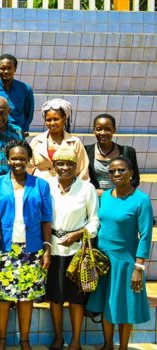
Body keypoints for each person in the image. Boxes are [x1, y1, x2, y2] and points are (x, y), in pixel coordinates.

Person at [0, 140, 53, 350]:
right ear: (8, 159)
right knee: (3, 297)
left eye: (22, 158)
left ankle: (24, 340)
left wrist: (47, 248)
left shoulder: (40, 185)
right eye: (14, 158)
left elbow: (46, 218)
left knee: (26, 297)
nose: (18, 162)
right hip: (3, 248)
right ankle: (2, 339)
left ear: (28, 160)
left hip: (31, 249)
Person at [86, 156, 153, 350]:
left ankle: (122, 347)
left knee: (124, 306)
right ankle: (108, 345)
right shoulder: (105, 196)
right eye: (113, 171)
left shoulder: (141, 200)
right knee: (107, 304)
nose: (116, 174)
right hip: (104, 261)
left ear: (131, 173)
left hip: (126, 262)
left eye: (121, 170)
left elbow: (146, 235)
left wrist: (138, 267)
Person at [46, 147, 100, 350]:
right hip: (53, 249)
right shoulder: (47, 186)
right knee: (55, 297)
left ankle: (76, 340)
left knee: (76, 299)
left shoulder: (87, 188)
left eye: (70, 163)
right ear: (54, 166)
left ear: (76, 166)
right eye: (60, 163)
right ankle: (58, 337)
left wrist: (77, 234)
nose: (65, 167)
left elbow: (94, 221)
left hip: (77, 251)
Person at [28, 99, 89, 181]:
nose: (52, 123)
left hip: (67, 189)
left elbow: (82, 170)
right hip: (40, 188)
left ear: (64, 119)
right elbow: (29, 167)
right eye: (48, 120)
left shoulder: (75, 142)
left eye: (56, 119)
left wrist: (74, 188)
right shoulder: (36, 141)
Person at [85, 113, 140, 196]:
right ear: (94, 130)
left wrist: (117, 193)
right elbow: (81, 178)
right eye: (99, 129)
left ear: (114, 130)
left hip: (119, 197)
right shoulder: (86, 151)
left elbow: (135, 179)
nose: (103, 133)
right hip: (94, 198)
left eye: (107, 129)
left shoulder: (127, 151)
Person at [0, 54, 34, 134]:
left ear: (15, 69)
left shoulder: (25, 89)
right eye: (2, 68)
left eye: (9, 68)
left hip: (18, 133)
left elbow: (29, 113)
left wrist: (23, 129)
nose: (6, 71)